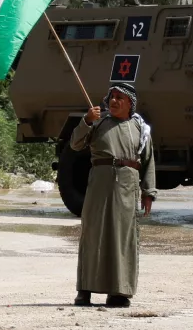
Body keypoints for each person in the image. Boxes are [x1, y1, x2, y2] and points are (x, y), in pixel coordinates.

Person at [69, 82, 156, 308]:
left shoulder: (141, 128)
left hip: (127, 186)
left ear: (130, 103)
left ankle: (119, 292)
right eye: (112, 97)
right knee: (93, 235)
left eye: (120, 97)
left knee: (122, 238)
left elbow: (147, 162)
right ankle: (84, 291)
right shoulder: (98, 123)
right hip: (99, 184)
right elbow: (75, 144)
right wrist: (87, 121)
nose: (114, 101)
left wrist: (148, 192)